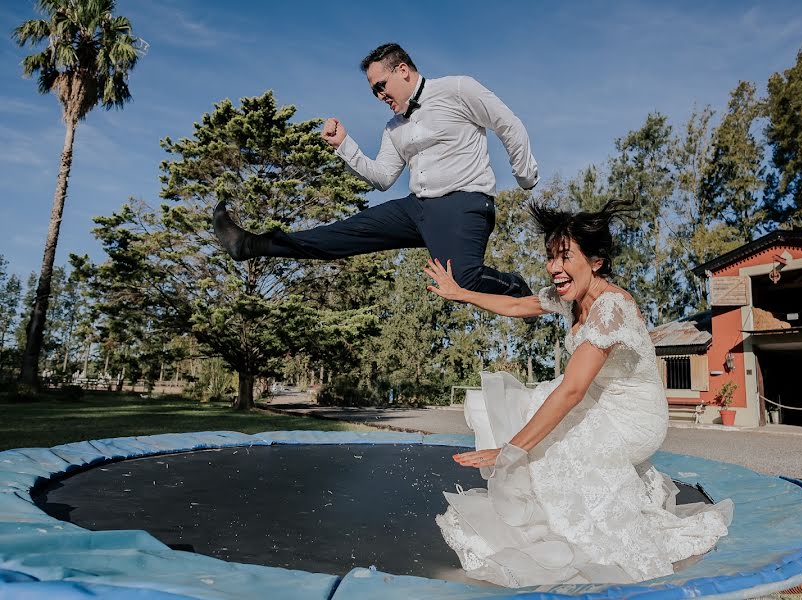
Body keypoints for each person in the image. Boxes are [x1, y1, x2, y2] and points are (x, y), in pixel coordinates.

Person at [423, 200, 733, 588]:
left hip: (634, 419)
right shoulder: (568, 297)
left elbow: (572, 390)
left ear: (596, 261)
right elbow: (520, 304)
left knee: (547, 437)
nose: (554, 267)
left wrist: (512, 450)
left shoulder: (611, 308)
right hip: (600, 401)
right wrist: (462, 293)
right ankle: (550, 524)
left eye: (565, 257)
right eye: (551, 257)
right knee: (534, 405)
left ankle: (583, 537)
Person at [213, 42, 538, 299]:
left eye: (382, 85)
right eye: (374, 91)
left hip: (464, 203)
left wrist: (525, 177)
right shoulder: (393, 126)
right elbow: (382, 178)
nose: (380, 95)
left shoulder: (457, 89)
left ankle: (520, 291)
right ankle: (250, 246)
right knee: (335, 238)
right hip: (417, 208)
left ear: (403, 70)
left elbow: (507, 124)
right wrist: (344, 146)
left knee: (461, 281)